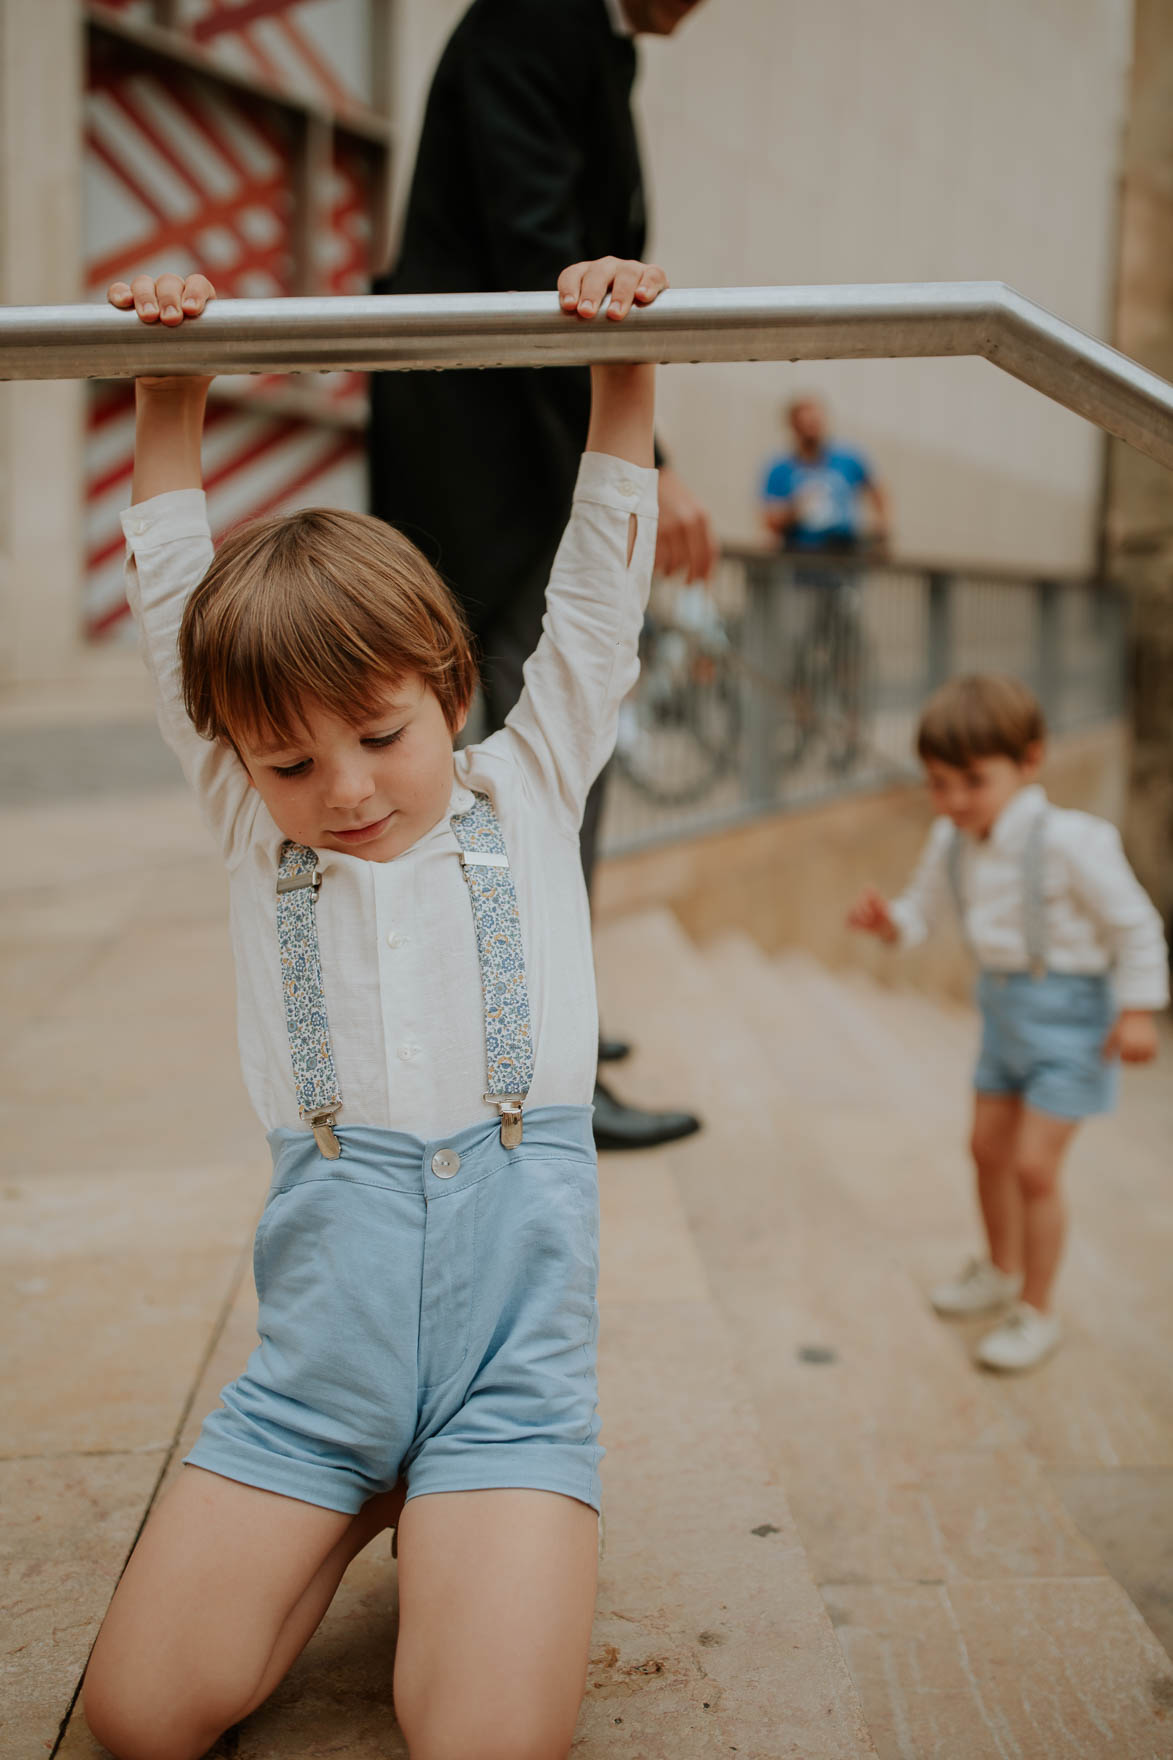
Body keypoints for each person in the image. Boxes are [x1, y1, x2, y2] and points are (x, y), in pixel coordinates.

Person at [84, 254, 665, 1760]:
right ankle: (355, 1497)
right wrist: (171, 383)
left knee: (480, 1741)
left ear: (451, 686)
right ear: (240, 761)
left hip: (504, 1376)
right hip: (318, 1376)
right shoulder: (249, 822)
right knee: (142, 1719)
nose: (340, 790)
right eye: (287, 762)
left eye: (380, 735)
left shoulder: (525, 790)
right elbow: (171, 609)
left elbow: (596, 598)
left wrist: (625, 368)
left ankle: (458, 1503)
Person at [370, 0, 714, 1153]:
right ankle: (534, 1059)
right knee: (540, 770)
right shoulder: (541, 14)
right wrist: (639, 470)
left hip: (504, 470)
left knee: (544, 762)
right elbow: (550, 267)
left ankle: (544, 1008)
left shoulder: (580, 31)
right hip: (493, 476)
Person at [848, 675, 1167, 1372]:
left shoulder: (1072, 841)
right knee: (985, 1150)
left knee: (1032, 1167)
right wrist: (888, 925)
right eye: (938, 783)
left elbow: (1135, 926)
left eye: (971, 780)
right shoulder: (950, 840)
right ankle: (996, 1269)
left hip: (1072, 1022)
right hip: (1002, 1018)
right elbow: (919, 912)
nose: (954, 799)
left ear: (1029, 761)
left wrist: (1137, 1010)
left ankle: (1036, 1308)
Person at [761, 395, 889, 555]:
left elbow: (877, 491)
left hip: (844, 552)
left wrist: (881, 528)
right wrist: (797, 510)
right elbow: (769, 519)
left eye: (816, 422)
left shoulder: (848, 459)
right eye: (806, 424)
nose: (812, 430)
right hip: (799, 553)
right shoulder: (779, 468)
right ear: (793, 426)